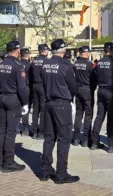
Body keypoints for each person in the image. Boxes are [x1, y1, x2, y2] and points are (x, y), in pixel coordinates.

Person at [40, 39, 80, 184]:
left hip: (48, 103)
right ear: (63, 51)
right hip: (62, 104)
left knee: (49, 138)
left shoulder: (45, 64)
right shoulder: (66, 66)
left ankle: (45, 171)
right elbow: (73, 87)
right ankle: (61, 173)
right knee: (64, 139)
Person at [0, 41, 29, 172]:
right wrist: (25, 103)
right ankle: (8, 162)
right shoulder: (18, 66)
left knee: (3, 130)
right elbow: (22, 88)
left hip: (2, 98)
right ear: (18, 51)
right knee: (11, 132)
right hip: (13, 99)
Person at [90, 42, 113, 153]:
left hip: (101, 91)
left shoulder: (99, 63)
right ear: (112, 50)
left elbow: (93, 78)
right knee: (111, 119)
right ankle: (111, 145)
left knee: (99, 117)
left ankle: (94, 142)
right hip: (111, 92)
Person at [72, 46, 94, 147]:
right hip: (87, 89)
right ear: (86, 53)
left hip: (78, 89)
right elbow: (93, 78)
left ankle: (76, 139)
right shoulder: (89, 64)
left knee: (78, 114)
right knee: (88, 115)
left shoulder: (75, 64)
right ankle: (86, 139)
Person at [30, 44, 50, 139]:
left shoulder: (34, 61)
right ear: (45, 51)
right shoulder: (47, 61)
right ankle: (41, 132)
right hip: (43, 86)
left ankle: (34, 131)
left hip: (34, 85)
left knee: (35, 109)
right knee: (43, 110)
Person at [19, 47, 32, 135]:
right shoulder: (29, 65)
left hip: (17, 87)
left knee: (17, 107)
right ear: (28, 55)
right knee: (26, 107)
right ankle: (25, 128)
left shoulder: (17, 64)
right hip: (26, 87)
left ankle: (16, 127)